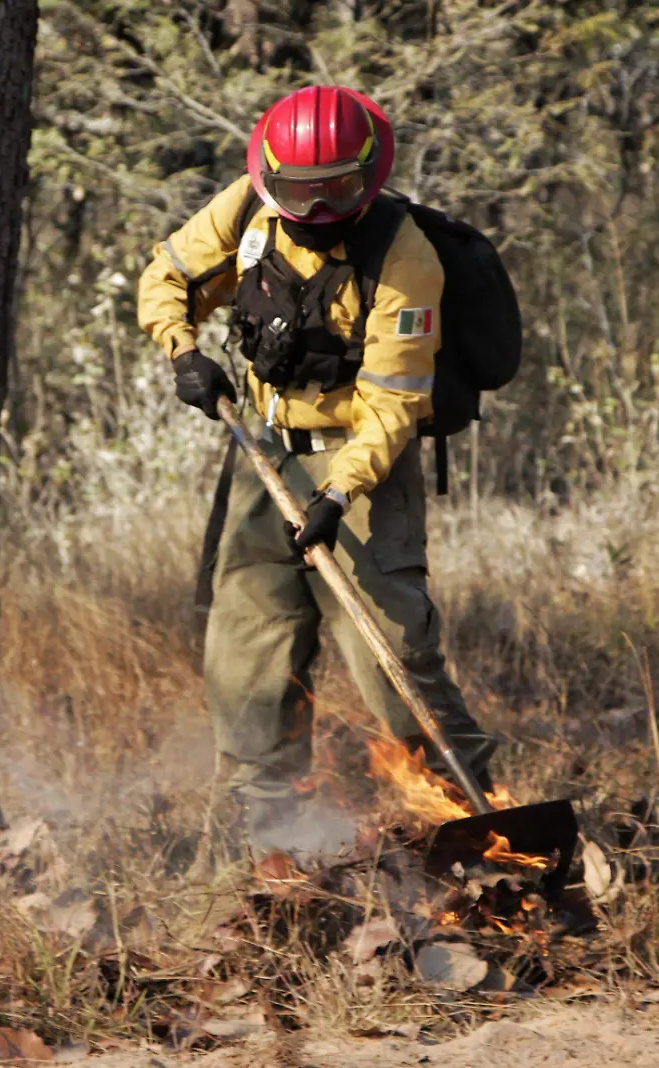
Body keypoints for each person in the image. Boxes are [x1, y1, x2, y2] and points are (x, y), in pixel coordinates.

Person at [137, 85, 496, 853]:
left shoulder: (405, 259)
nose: (320, 201)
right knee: (248, 654)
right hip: (263, 450)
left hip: (363, 464)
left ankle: (479, 822)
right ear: (269, 171)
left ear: (369, 173)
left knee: (393, 658)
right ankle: (265, 842)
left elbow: (393, 406)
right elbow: (164, 278)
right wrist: (183, 352)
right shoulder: (247, 211)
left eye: (339, 184)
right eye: (301, 186)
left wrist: (339, 495)